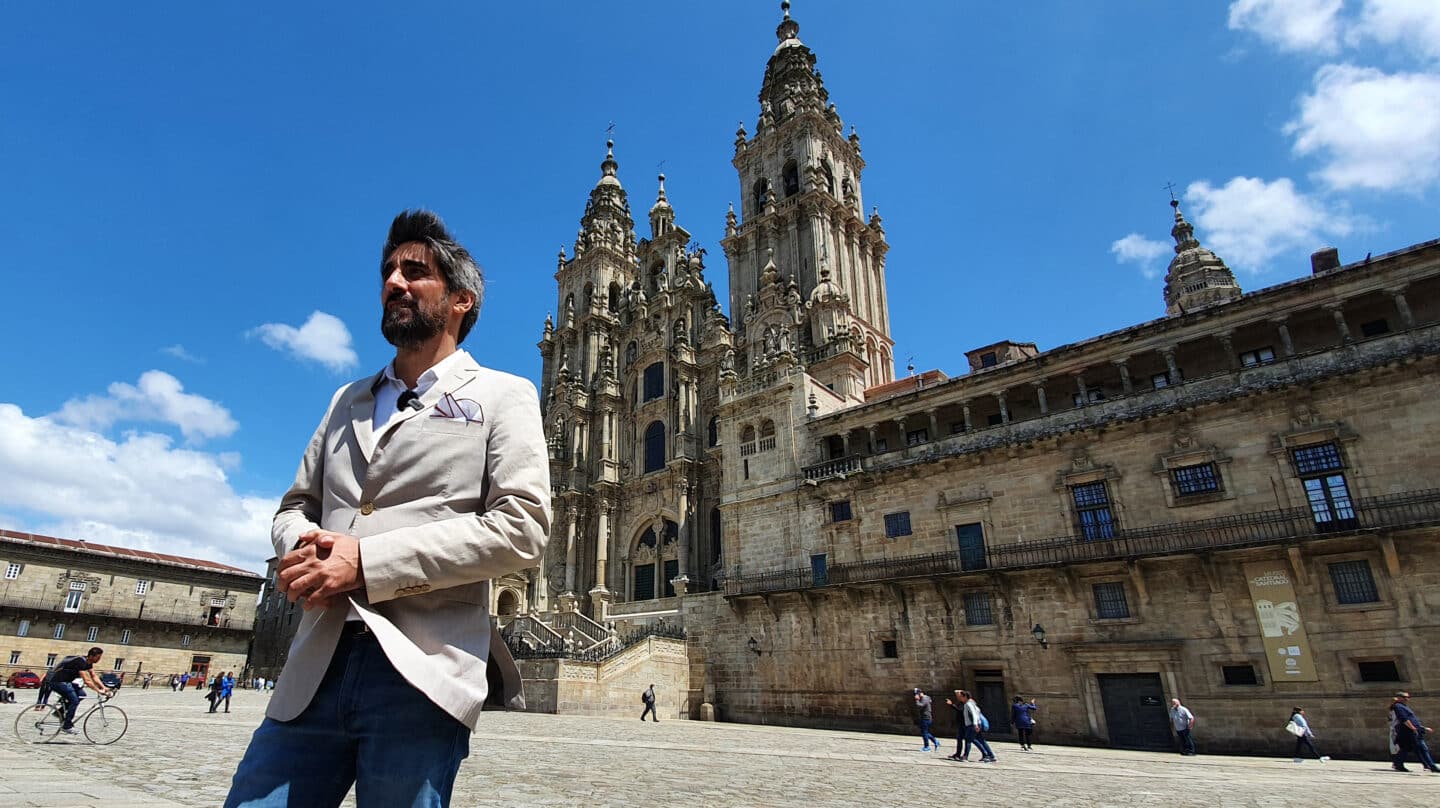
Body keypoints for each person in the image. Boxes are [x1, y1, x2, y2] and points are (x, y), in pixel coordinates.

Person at [224, 210, 551, 808]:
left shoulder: (505, 395)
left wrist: (365, 562)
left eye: (415, 271)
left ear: (461, 300)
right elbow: (294, 507)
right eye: (388, 271)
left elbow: (522, 528)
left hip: (421, 673)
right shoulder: (345, 400)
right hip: (313, 666)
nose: (394, 282)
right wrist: (306, 550)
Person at [47, 647, 113, 734]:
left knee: (82, 694)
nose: (99, 659)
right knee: (74, 701)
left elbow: (93, 676)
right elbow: (87, 680)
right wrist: (98, 690)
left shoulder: (88, 663)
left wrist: (103, 687)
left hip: (66, 682)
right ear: (91, 656)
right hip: (58, 682)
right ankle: (67, 726)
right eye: (98, 657)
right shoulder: (80, 662)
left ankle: (59, 712)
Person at [1390, 692, 1440, 772]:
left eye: (1408, 697)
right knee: (1422, 748)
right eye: (1404, 697)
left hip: (1411, 731)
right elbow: (1404, 719)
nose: (1407, 698)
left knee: (1405, 748)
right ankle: (1431, 766)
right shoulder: (1398, 706)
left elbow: (1412, 719)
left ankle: (1398, 764)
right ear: (1399, 697)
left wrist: (1423, 728)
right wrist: (1413, 728)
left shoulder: (1404, 706)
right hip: (1409, 731)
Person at [914, 688, 939, 752]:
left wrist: (917, 700)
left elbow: (920, 705)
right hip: (924, 717)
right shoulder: (925, 698)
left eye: (916, 694)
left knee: (924, 732)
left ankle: (927, 746)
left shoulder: (925, 698)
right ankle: (935, 741)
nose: (916, 696)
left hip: (926, 718)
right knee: (925, 732)